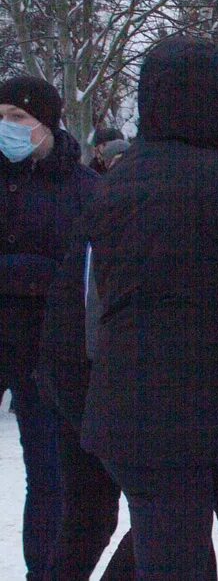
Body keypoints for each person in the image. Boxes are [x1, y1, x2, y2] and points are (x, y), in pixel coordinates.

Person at [78, 38, 218, 578]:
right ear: (214, 106)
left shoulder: (122, 177)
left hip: (130, 408)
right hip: (201, 408)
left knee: (164, 545)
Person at [1, 75, 97, 581]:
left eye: (16, 118)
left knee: (50, 475)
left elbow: (81, 270)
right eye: (0, 118)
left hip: (47, 350)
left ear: (47, 122)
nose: (5, 128)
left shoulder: (82, 188)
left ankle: (48, 571)